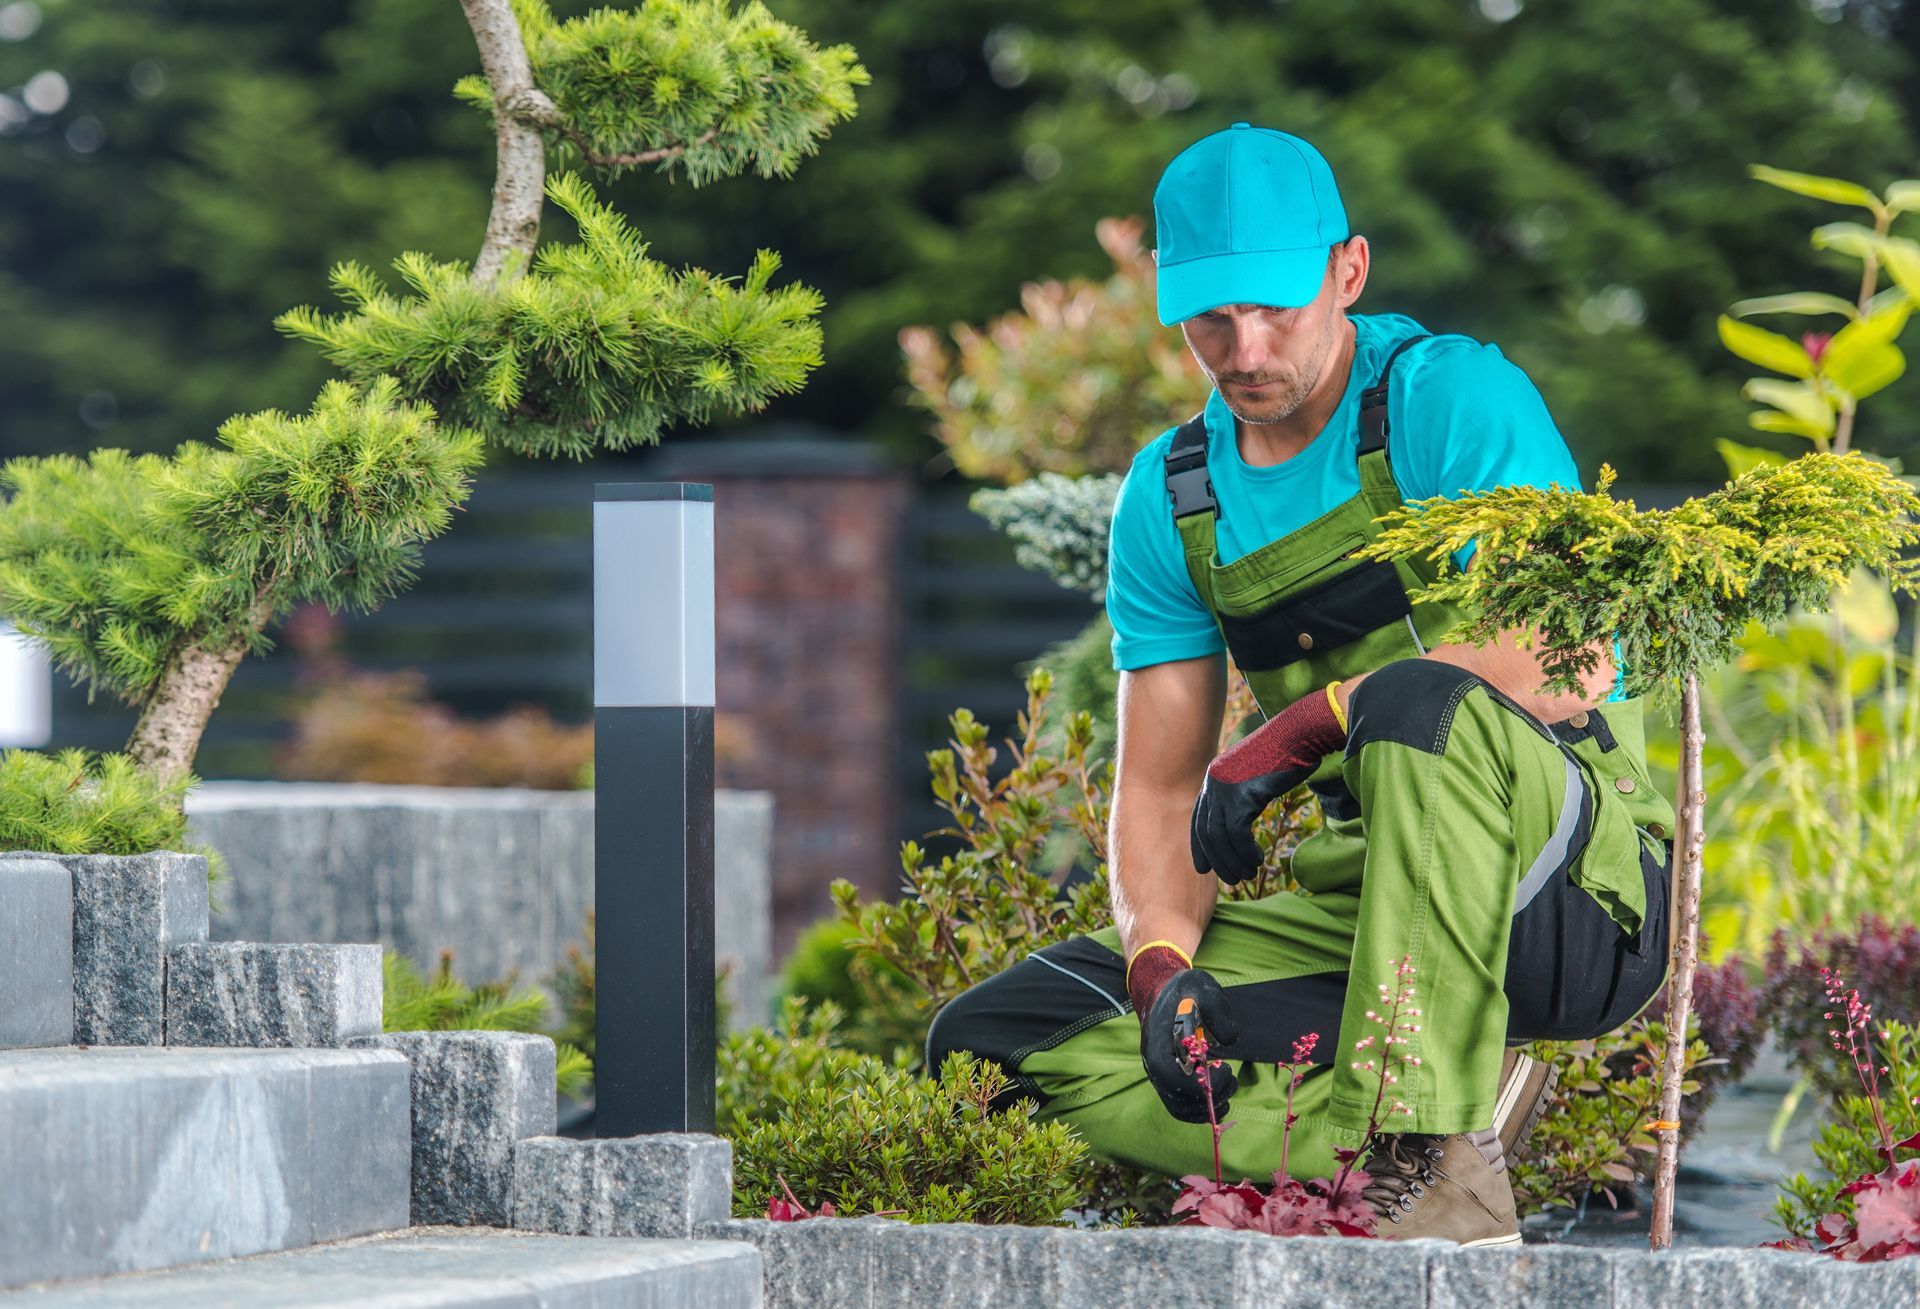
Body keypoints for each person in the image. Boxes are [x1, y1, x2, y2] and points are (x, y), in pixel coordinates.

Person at [926, 123, 1678, 1246]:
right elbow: (1158, 791)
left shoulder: (1447, 400)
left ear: (1350, 270)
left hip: (1567, 891)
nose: (1245, 346)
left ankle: (1435, 1170)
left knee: (1414, 703)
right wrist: (1160, 964)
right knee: (1003, 1041)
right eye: (1212, 317)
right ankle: (1416, 1131)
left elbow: (1568, 656)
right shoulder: (1174, 498)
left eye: (1277, 306)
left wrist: (1315, 717)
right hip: (1360, 919)